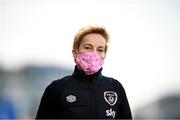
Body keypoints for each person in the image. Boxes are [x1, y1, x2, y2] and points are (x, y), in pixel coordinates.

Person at [36, 25, 132, 119]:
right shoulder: (56, 89)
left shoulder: (115, 87)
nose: (94, 53)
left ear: (104, 55)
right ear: (75, 53)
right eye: (87, 48)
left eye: (100, 49)